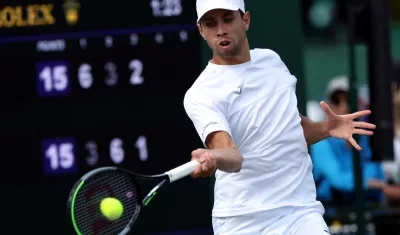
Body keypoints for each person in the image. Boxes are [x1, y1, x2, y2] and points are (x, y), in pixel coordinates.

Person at [183, 0, 376, 234]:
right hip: (242, 220)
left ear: (245, 20)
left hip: (300, 211)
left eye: (227, 19)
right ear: (201, 30)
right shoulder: (201, 94)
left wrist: (327, 128)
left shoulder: (271, 61)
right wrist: (213, 155)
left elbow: (292, 129)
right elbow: (232, 155)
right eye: (210, 24)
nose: (220, 30)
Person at [311, 76, 385, 204]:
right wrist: (373, 184)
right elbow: (337, 179)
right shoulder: (321, 142)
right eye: (336, 101)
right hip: (331, 213)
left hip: (370, 209)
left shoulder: (367, 140)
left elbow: (378, 175)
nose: (343, 107)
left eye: (349, 101)